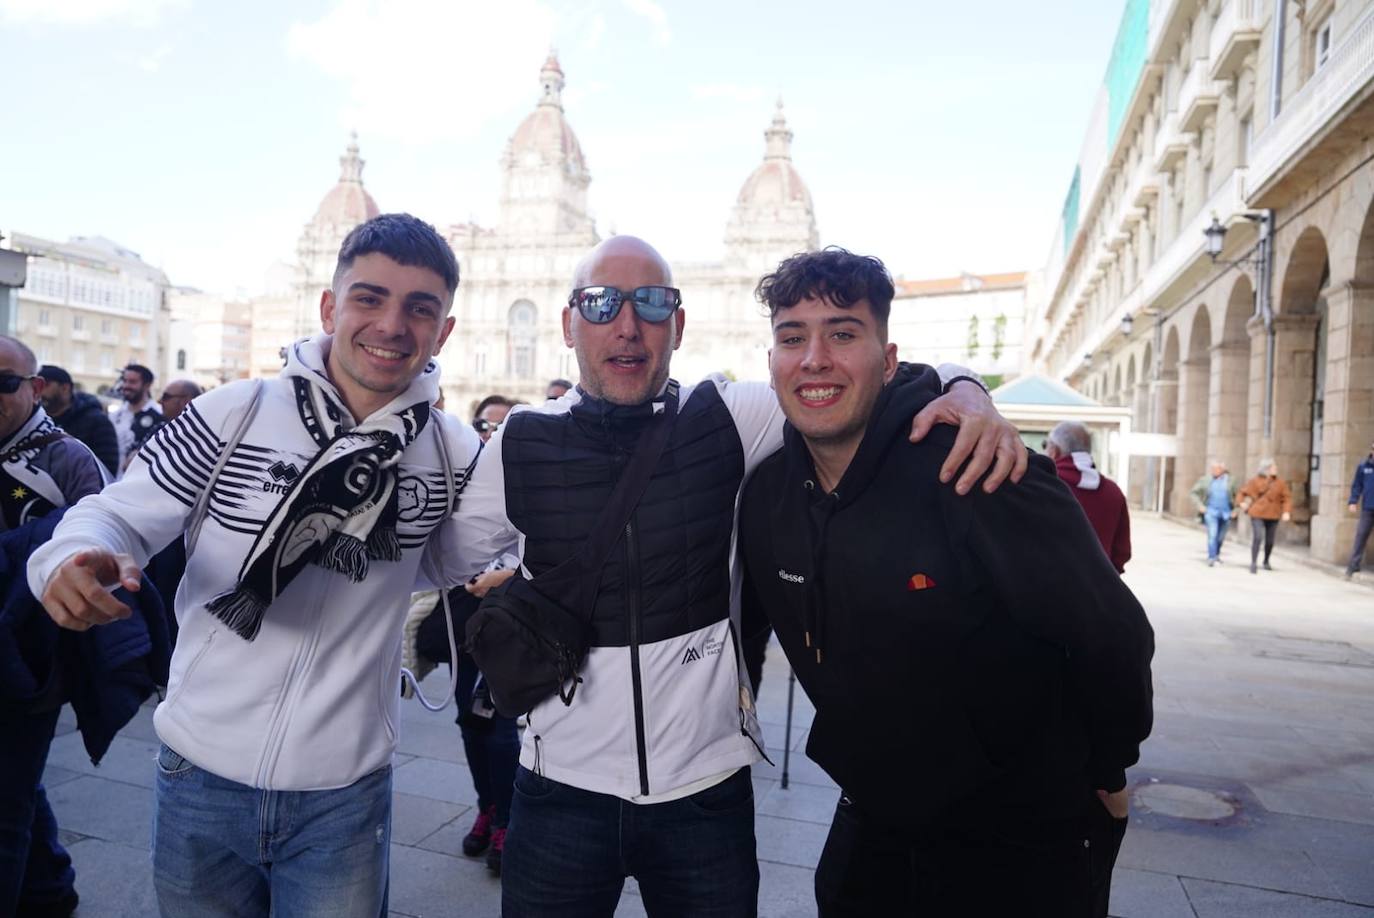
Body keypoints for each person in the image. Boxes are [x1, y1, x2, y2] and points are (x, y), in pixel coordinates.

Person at [452, 235, 1029, 918]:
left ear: (680, 324)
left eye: (653, 303)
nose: (627, 325)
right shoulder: (519, 440)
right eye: (602, 303)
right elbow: (443, 556)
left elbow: (865, 380)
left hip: (705, 793)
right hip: (558, 793)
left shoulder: (729, 416)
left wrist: (968, 388)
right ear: (571, 323)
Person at [27, 213, 490, 918]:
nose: (392, 324)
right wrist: (65, 556)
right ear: (331, 307)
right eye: (370, 298)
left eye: (419, 308)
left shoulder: (454, 452)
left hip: (344, 793)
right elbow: (118, 512)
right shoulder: (235, 412)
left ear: (443, 331)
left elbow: (451, 562)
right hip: (199, 774)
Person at [736, 249, 1154, 917]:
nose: (813, 357)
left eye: (843, 333)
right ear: (772, 361)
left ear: (888, 358)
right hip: (870, 828)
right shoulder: (765, 499)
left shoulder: (976, 469)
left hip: (1019, 840)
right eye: (792, 337)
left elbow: (1112, 635)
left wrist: (1108, 769)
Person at [0, 336, 112, 918]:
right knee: (17, 784)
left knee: (6, 798)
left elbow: (107, 548)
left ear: (35, 388)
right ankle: (50, 892)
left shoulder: (68, 458)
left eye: (4, 383)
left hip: (34, 661)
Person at [1044, 420, 1131, 573]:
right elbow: (1121, 553)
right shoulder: (1113, 491)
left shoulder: (1044, 485)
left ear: (1054, 450)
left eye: (1046, 445)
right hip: (1100, 589)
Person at [37, 364, 119, 477]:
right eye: (36, 385)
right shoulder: (37, 420)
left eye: (46, 385)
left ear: (65, 388)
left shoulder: (97, 421)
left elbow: (106, 468)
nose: (39, 391)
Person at [1237, 459, 1292, 574]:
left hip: (1273, 514)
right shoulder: (1255, 481)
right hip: (1257, 513)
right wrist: (1241, 503)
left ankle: (1266, 560)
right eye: (1273, 467)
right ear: (1266, 469)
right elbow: (1242, 492)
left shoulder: (1280, 483)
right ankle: (1253, 562)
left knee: (1270, 541)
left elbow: (1286, 498)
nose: (1276, 469)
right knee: (1257, 537)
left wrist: (1286, 511)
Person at [112, 363, 163, 472]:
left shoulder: (160, 415)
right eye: (125, 381)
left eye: (132, 382)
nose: (126, 386)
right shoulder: (115, 415)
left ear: (147, 385)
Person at [1191, 460, 1237, 567]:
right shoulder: (1206, 480)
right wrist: (1200, 506)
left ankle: (1216, 555)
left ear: (1222, 470)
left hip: (1226, 513)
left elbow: (1238, 496)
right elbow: (1194, 493)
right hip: (1211, 512)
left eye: (1215, 469)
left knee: (1220, 537)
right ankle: (1211, 557)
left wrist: (1236, 510)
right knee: (1212, 534)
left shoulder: (1231, 481)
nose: (1213, 471)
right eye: (1212, 469)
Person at [1346, 439, 1374, 580]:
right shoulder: (1364, 467)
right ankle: (1353, 565)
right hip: (1368, 508)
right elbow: (1357, 485)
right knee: (1361, 535)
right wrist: (1353, 501)